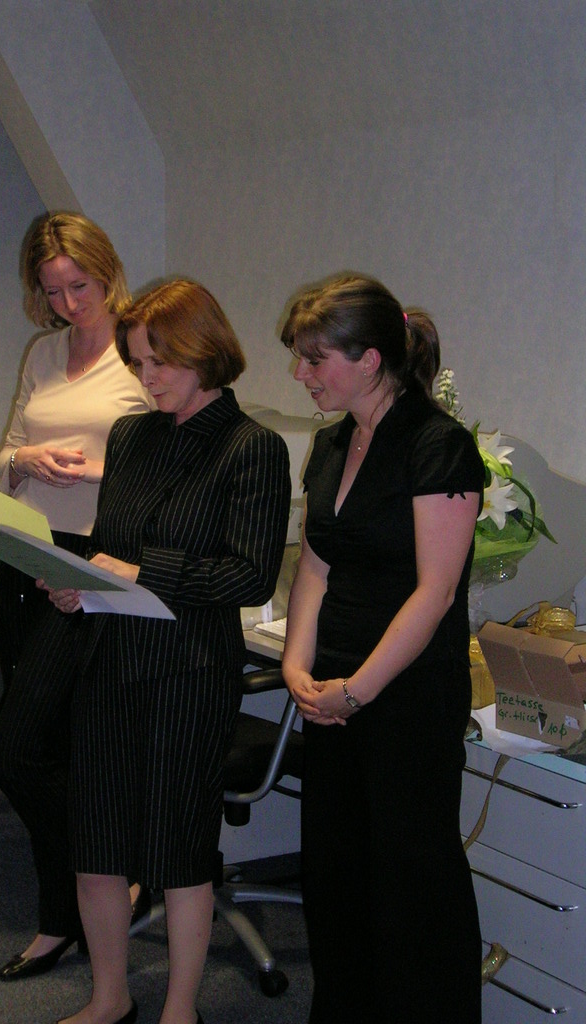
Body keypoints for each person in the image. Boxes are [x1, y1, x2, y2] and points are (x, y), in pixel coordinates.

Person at [42, 278, 291, 1024]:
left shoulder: (253, 448)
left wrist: (142, 571)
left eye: (161, 362)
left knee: (180, 854)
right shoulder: (131, 436)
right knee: (96, 845)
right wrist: (79, 582)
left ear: (205, 351)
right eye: (137, 362)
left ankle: (180, 1009)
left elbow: (249, 575)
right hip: (109, 657)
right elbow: (112, 543)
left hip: (188, 672)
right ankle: (109, 997)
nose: (147, 378)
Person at [279, 271, 484, 1024]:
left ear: (369, 360)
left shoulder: (438, 446)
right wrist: (297, 664)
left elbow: (434, 593)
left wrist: (357, 691)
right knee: (336, 876)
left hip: (406, 694)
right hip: (333, 688)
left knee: (410, 885)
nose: (300, 374)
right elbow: (316, 564)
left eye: (314, 359)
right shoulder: (333, 442)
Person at [0, 212, 152, 982]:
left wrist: (89, 470)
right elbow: (3, 459)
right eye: (52, 292)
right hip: (28, 550)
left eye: (78, 286)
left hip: (96, 562)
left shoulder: (143, 351)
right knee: (43, 750)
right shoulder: (43, 351)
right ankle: (63, 916)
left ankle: (112, 880)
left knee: (18, 748)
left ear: (106, 271)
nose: (67, 304)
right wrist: (25, 457)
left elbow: (170, 475)